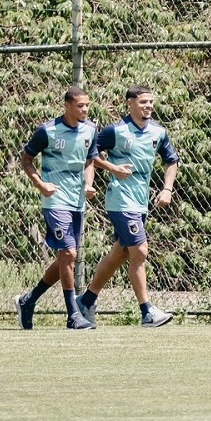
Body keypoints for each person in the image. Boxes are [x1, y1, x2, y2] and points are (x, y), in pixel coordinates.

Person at [75, 85, 179, 328]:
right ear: (129, 104)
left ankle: (86, 301)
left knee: (121, 252)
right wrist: (112, 168)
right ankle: (147, 312)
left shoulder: (158, 132)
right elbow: (90, 154)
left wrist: (167, 189)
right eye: (143, 102)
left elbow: (171, 160)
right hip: (120, 200)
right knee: (140, 251)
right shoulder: (116, 130)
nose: (149, 106)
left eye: (151, 102)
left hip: (140, 202)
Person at [15, 86, 99, 330]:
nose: (84, 109)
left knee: (65, 256)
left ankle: (28, 300)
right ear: (67, 106)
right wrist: (40, 184)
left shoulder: (91, 129)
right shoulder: (48, 130)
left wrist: (89, 184)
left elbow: (89, 160)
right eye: (80, 105)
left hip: (77, 201)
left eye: (87, 105)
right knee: (70, 254)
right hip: (55, 200)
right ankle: (73, 315)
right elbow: (26, 158)